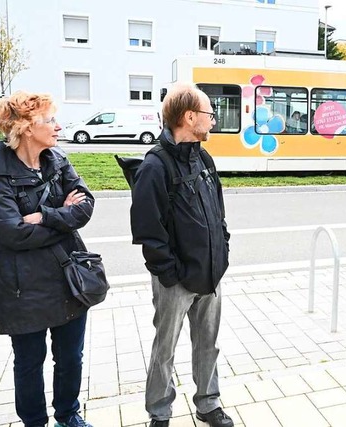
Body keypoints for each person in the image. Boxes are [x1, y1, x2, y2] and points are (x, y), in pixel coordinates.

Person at [0, 92, 94, 427]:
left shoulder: (57, 159)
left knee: (70, 358)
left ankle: (68, 415)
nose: (58, 126)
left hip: (67, 279)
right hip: (22, 285)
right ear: (26, 128)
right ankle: (34, 422)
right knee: (30, 362)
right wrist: (63, 216)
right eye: (49, 121)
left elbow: (86, 204)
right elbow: (12, 233)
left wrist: (45, 217)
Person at [130, 83, 233, 427]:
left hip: (210, 273)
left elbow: (218, 212)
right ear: (189, 117)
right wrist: (169, 274)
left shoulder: (203, 158)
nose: (213, 120)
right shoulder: (155, 167)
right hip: (175, 281)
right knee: (165, 349)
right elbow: (148, 229)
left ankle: (208, 403)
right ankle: (159, 412)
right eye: (208, 113)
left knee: (208, 345)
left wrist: (224, 250)